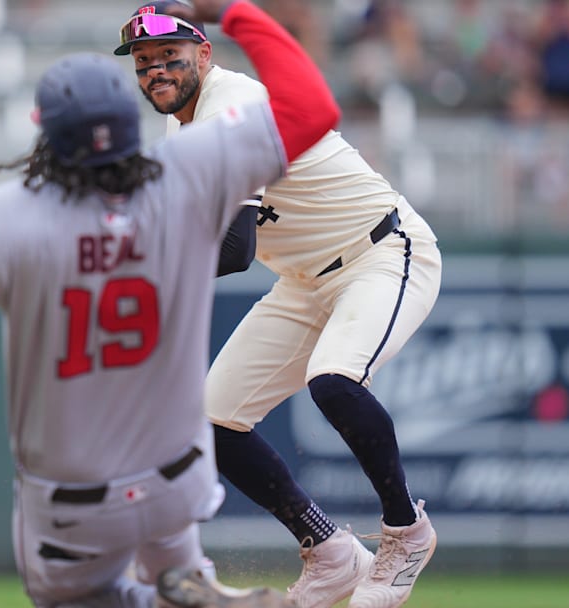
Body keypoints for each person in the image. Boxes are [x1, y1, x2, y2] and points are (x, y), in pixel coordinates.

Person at [0, 0, 340, 606]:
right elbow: (313, 107)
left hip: (73, 503)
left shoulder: (12, 216)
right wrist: (235, 12)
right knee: (173, 554)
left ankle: (163, 597)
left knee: (80, 600)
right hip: (178, 477)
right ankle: (185, 584)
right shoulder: (187, 169)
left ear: (47, 132)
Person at [114, 3, 443, 607]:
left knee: (335, 381)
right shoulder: (179, 127)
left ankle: (406, 533)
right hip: (304, 280)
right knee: (213, 420)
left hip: (380, 251)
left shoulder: (229, 105)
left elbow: (235, 248)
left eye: (169, 56)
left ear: (204, 55)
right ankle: (329, 551)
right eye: (143, 63)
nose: (156, 70)